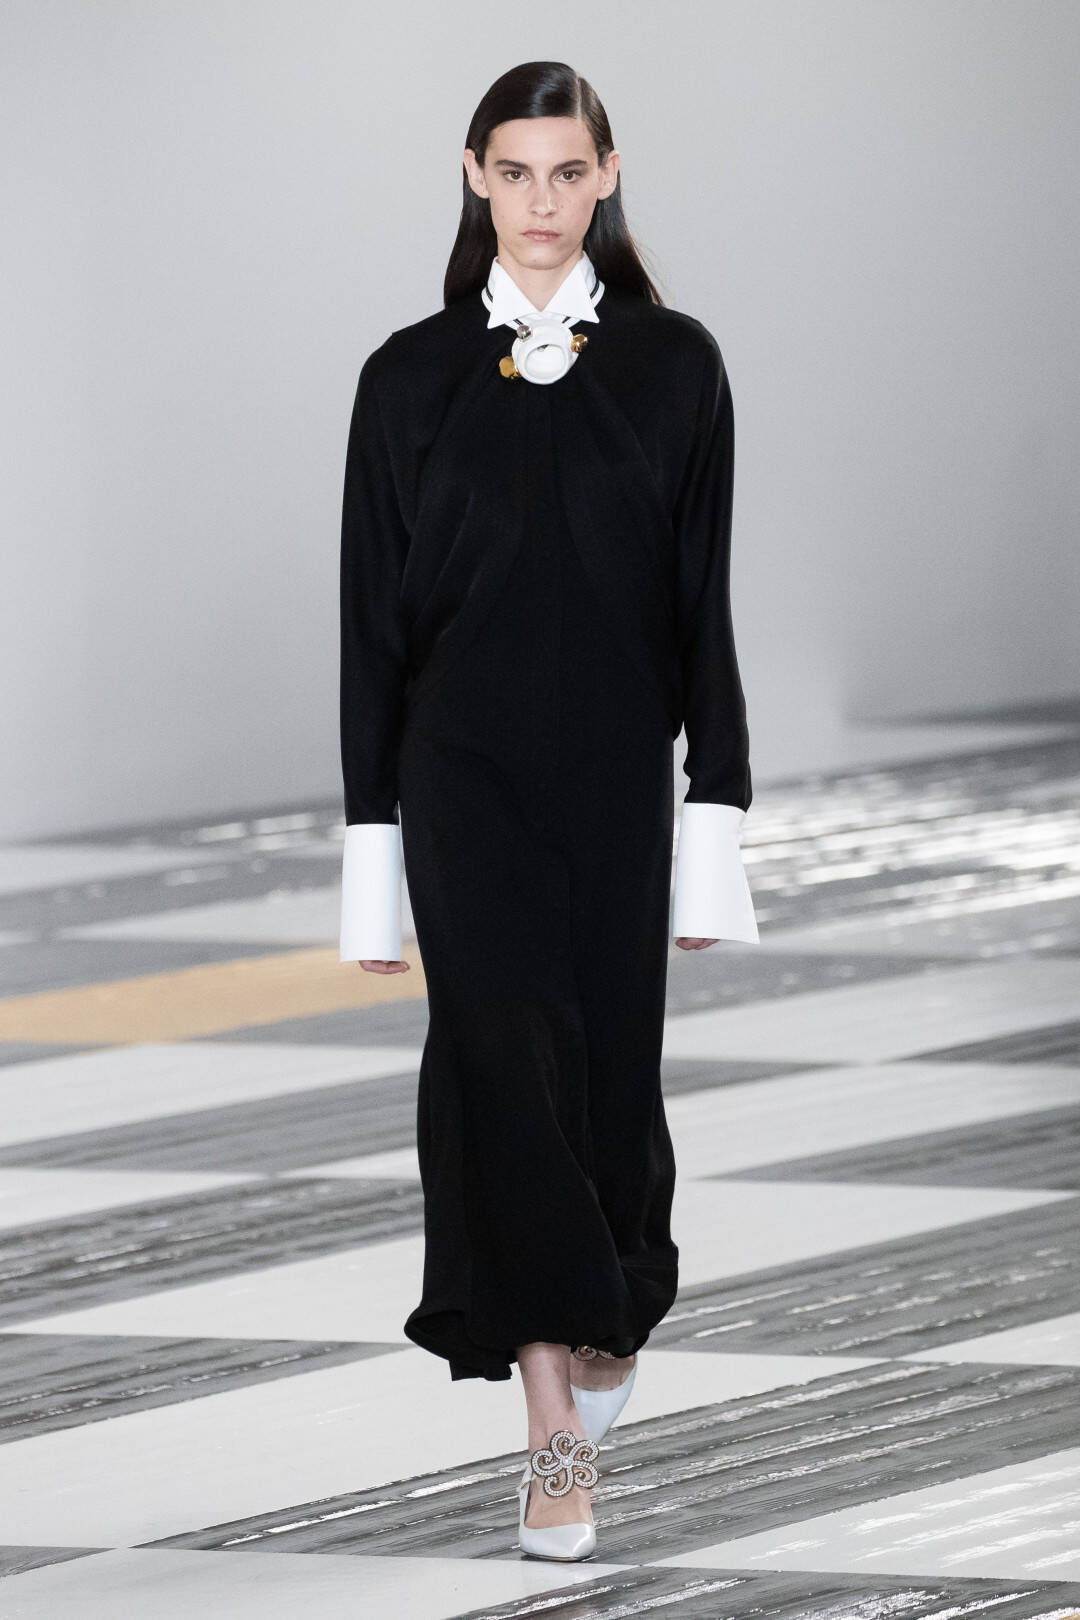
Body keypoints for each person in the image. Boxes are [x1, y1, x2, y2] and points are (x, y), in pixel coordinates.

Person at [338, 61, 760, 1562]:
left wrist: (716, 812)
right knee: (498, 1076)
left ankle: (609, 1329)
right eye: (513, 172)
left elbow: (702, 605)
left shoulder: (675, 366)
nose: (540, 201)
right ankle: (550, 1429)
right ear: (475, 175)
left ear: (606, 176)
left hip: (616, 783)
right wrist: (372, 849)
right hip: (462, 781)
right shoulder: (407, 379)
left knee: (612, 1092)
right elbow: (371, 630)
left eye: (566, 172)